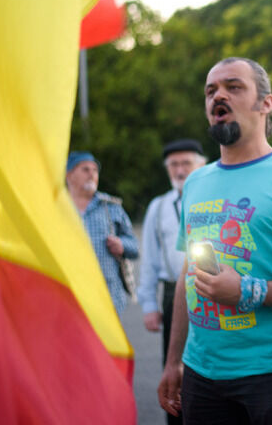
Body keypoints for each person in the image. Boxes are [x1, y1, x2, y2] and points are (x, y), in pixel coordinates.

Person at [156, 57, 272, 425]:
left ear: (265, 103)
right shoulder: (195, 182)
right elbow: (188, 276)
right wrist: (174, 361)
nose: (218, 97)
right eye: (211, 91)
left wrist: (246, 291)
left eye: (233, 87)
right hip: (202, 373)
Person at [138, 138, 206, 424]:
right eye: (174, 165)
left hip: (211, 288)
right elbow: (150, 258)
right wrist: (149, 304)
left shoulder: (212, 198)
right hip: (171, 292)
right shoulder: (159, 206)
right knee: (174, 364)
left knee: (207, 365)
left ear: (201, 166)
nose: (180, 170)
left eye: (186, 163)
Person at [66, 151, 138, 315]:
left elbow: (134, 246)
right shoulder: (56, 208)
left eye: (95, 170)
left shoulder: (111, 207)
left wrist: (122, 245)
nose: (92, 174)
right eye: (85, 170)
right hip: (70, 295)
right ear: (69, 175)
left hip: (107, 296)